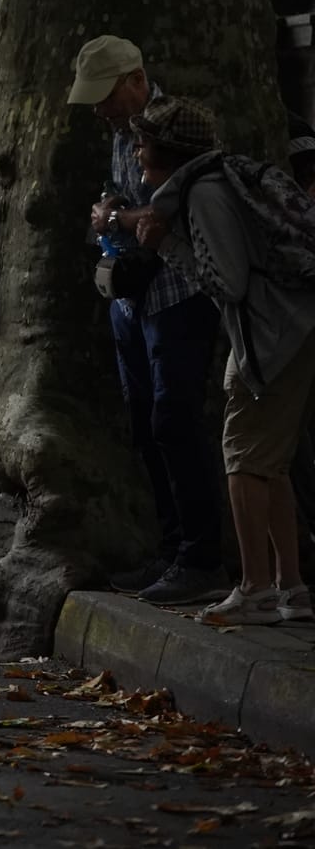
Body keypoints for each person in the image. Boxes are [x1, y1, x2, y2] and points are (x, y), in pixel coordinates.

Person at [132, 98, 315, 627]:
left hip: (270, 333)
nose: (137, 152)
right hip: (281, 329)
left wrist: (167, 245)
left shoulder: (204, 195)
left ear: (164, 152)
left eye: (143, 144)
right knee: (270, 461)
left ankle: (255, 588)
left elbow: (227, 282)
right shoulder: (225, 174)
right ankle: (291, 587)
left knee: (243, 457)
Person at [69, 36, 228, 604]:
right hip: (129, 299)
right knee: (146, 424)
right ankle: (170, 550)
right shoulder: (118, 135)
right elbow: (126, 201)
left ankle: (201, 557)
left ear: (136, 80)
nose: (100, 109)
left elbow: (186, 201)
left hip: (177, 296)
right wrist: (105, 211)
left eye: (107, 95)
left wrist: (124, 214)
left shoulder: (176, 127)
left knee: (175, 422)